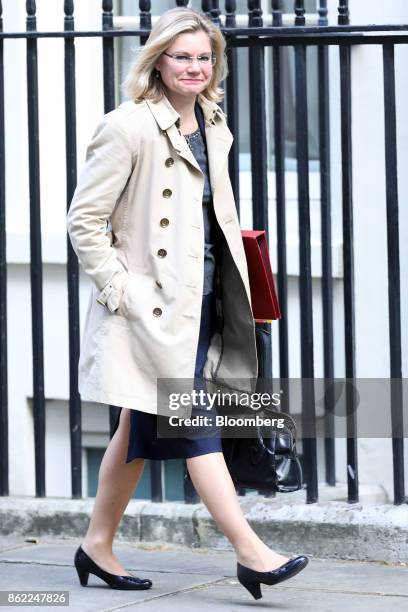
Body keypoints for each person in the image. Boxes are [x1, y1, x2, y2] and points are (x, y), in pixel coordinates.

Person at [67, 6, 308, 601]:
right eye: (183, 56)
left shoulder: (213, 123)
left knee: (137, 425)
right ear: (158, 60)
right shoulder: (127, 126)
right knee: (193, 419)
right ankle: (251, 553)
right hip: (149, 311)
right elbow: (85, 220)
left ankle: (96, 545)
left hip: (200, 304)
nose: (195, 67)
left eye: (205, 57)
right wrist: (121, 290)